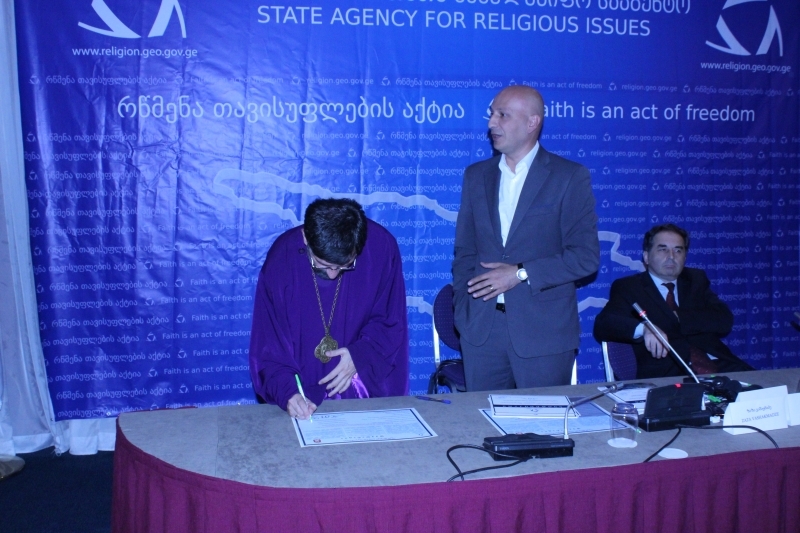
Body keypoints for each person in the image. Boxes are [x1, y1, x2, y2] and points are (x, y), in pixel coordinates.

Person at [452, 85, 600, 391]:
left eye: (502, 115)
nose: (492, 123)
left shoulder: (568, 176)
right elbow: (465, 251)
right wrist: (464, 309)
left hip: (543, 333)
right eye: (492, 114)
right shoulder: (476, 176)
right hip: (481, 331)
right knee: (480, 418)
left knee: (542, 420)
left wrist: (520, 273)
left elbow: (585, 258)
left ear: (532, 122)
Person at [249, 198, 408, 419]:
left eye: (344, 265)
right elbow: (270, 343)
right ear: (306, 237)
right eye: (323, 264)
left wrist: (360, 356)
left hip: (362, 385)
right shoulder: (282, 259)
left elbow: (390, 320)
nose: (333, 274)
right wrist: (288, 392)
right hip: (304, 390)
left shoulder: (381, 247)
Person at [593, 223, 754, 379]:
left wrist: (677, 318)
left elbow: (724, 319)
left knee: (761, 388)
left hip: (718, 365)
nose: (671, 256)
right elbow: (604, 324)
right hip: (667, 373)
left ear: (685, 257)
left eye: (678, 250)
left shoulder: (695, 280)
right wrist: (645, 328)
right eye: (663, 249)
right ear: (646, 257)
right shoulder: (630, 287)